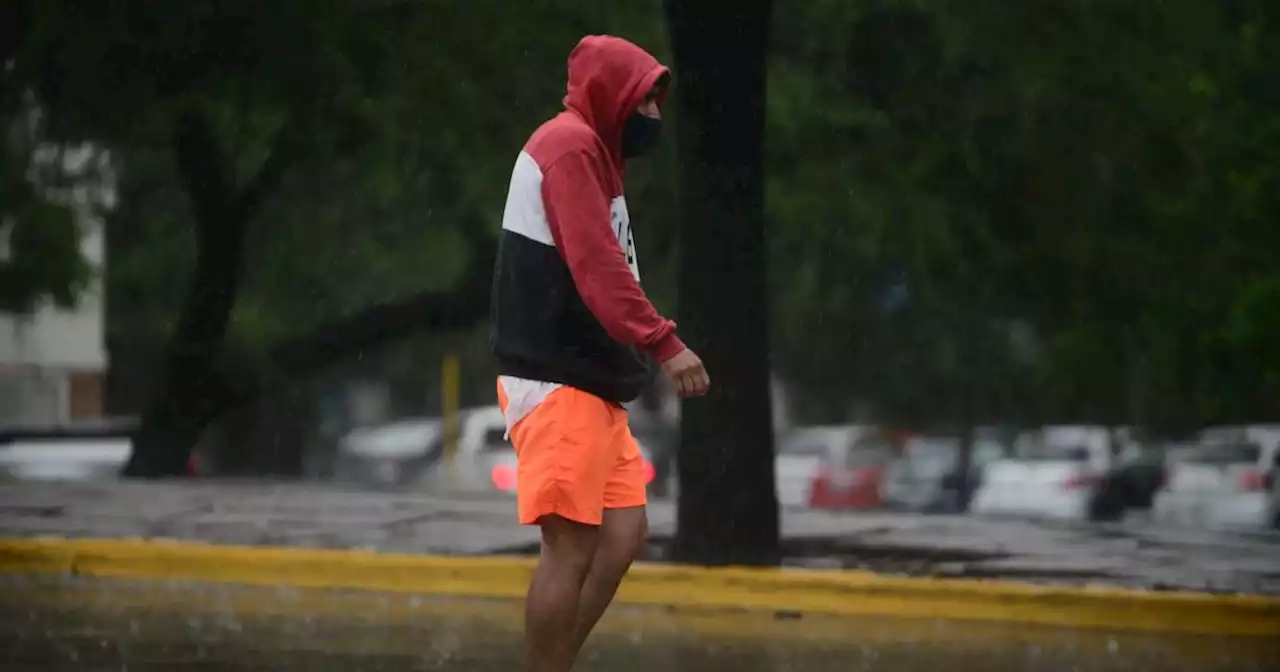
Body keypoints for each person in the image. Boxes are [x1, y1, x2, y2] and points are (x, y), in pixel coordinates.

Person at [489, 35, 710, 672]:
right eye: (645, 103)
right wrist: (664, 342)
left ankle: (552, 663)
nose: (654, 119)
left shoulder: (596, 158)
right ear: (612, 96)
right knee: (571, 548)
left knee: (621, 537)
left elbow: (604, 265)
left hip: (591, 381)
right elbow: (594, 265)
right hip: (555, 378)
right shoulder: (568, 147)